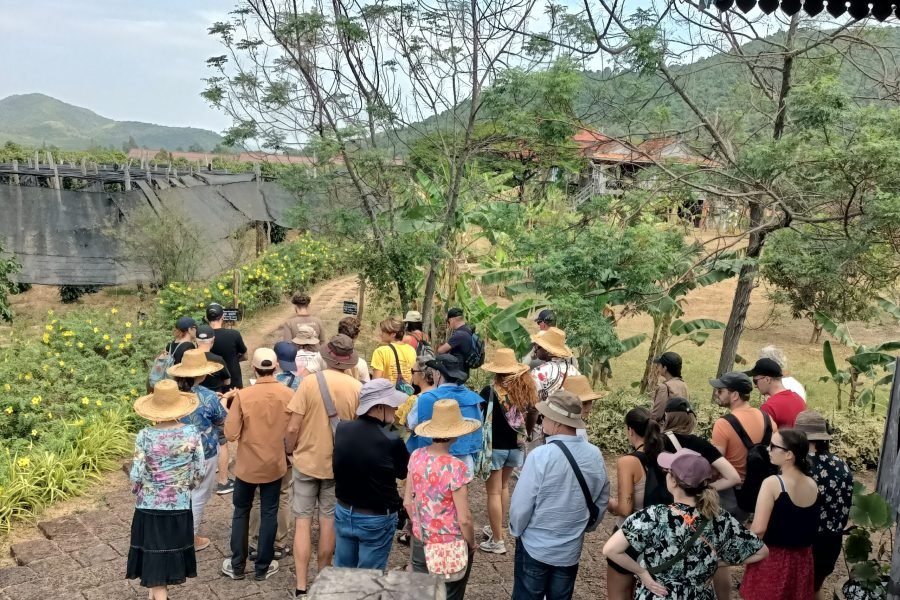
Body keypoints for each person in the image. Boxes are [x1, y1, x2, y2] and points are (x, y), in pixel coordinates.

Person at [603, 449, 768, 599]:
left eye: (668, 472)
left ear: (673, 481)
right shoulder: (720, 518)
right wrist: (712, 561)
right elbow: (761, 552)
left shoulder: (653, 515)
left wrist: (642, 573)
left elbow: (611, 550)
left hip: (658, 593)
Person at [509, 390, 609, 600]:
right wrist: (587, 527)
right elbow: (602, 498)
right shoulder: (595, 455)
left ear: (556, 422)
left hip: (535, 545)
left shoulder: (541, 455)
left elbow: (521, 506)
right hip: (570, 549)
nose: (542, 420)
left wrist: (517, 530)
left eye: (544, 416)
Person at [285, 334, 363, 599]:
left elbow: (293, 426)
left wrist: (289, 451)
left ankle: (301, 586)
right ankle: (323, 582)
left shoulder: (308, 383)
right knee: (328, 523)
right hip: (336, 466)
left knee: (303, 523)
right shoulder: (356, 388)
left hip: (306, 462)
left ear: (326, 356)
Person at [127, 380, 205, 600]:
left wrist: (138, 490)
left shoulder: (145, 435)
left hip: (149, 504)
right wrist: (185, 487)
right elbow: (199, 469)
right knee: (164, 555)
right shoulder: (191, 432)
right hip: (179, 503)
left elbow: (137, 474)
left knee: (154, 556)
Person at [221, 348, 294, 582]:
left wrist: (226, 408)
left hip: (247, 466)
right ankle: (263, 566)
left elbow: (231, 434)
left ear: (253, 368)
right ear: (277, 368)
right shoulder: (289, 394)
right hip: (275, 463)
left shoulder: (243, 395)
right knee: (270, 511)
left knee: (241, 512)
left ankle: (237, 565)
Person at [405, 399, 481, 600]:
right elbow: (464, 518)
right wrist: (471, 543)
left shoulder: (416, 456)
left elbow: (407, 502)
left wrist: (421, 527)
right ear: (455, 433)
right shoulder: (456, 467)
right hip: (449, 544)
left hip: (421, 539)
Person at [333, 379, 410, 570]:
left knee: (343, 575)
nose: (396, 408)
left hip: (344, 510)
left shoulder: (342, 429)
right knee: (368, 579)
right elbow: (403, 471)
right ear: (380, 406)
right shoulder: (391, 438)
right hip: (376, 517)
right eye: (392, 404)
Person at [741, 429, 819, 600]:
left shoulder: (772, 483)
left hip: (773, 560)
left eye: (773, 446)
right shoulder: (812, 484)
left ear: (789, 455)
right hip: (802, 561)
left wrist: (740, 554)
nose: (768, 449)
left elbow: (759, 529)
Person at [478, 349, 537, 554]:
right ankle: (498, 528)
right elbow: (533, 413)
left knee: (493, 491)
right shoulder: (524, 390)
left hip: (495, 448)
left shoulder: (490, 391)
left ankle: (497, 540)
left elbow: (481, 417)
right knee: (503, 488)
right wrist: (528, 434)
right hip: (516, 447)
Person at [168, 349, 228, 552]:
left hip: (173, 450)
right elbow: (222, 421)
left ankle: (173, 532)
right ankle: (189, 538)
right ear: (202, 374)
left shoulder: (168, 393)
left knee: (177, 492)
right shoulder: (209, 397)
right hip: (204, 451)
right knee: (199, 494)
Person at [606, 407, 665, 600]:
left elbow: (625, 508)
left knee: (620, 595)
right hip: (660, 537)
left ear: (630, 430)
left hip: (630, 537)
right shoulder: (666, 456)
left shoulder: (629, 462)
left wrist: (607, 502)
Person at [795, 411, 853, 599]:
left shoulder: (800, 466)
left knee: (799, 591)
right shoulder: (841, 464)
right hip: (831, 540)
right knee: (815, 588)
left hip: (803, 541)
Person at [709, 372, 778, 523]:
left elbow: (715, 466)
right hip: (756, 493)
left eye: (721, 391)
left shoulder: (724, 423)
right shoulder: (768, 419)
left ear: (734, 395)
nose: (717, 394)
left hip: (729, 494)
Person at [405, 354, 483, 475]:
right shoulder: (473, 398)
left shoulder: (426, 398)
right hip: (464, 458)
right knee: (459, 493)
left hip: (434, 459)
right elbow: (477, 426)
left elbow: (412, 424)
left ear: (437, 374)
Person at [207, 302, 248, 496]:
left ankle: (213, 461)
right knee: (237, 422)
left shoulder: (204, 335)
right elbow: (244, 353)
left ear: (207, 317)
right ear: (223, 316)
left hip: (211, 385)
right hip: (233, 383)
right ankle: (237, 459)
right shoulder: (233, 335)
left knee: (213, 423)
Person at [662, 398, 741, 493]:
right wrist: (700, 491)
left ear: (666, 417)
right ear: (690, 418)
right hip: (686, 501)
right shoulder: (699, 443)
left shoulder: (655, 441)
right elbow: (734, 478)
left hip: (655, 502)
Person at [529, 327, 580, 447]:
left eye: (538, 347)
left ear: (547, 351)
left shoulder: (538, 372)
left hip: (545, 428)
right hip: (570, 428)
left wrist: (528, 430)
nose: (535, 350)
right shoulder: (574, 371)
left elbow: (533, 408)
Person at [299, 317, 371, 383]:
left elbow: (303, 377)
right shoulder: (361, 364)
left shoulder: (322, 356)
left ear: (338, 332)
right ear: (356, 337)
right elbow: (367, 390)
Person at [747, 358, 806, 428]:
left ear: (767, 379)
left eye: (755, 381)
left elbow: (762, 437)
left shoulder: (769, 407)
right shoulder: (798, 398)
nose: (755, 386)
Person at [371, 317, 416, 386]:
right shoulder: (411, 350)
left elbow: (375, 382)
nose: (381, 334)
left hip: (386, 394)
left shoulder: (380, 352)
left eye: (383, 331)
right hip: (406, 394)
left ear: (393, 334)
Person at [650, 351, 689, 423]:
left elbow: (656, 416)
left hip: (665, 430)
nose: (658, 367)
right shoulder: (683, 385)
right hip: (680, 429)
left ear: (664, 368)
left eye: (659, 365)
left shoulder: (664, 387)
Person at [562, 374, 605, 439]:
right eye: (584, 403)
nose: (589, 408)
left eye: (590, 402)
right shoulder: (575, 431)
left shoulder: (577, 425)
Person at [436, 308, 475, 374]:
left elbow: (441, 350)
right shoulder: (468, 329)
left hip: (457, 372)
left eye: (448, 322)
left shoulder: (459, 335)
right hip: (464, 370)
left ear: (451, 320)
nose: (448, 324)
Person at [194, 325, 231, 394]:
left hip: (194, 399)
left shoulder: (189, 358)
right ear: (213, 339)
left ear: (196, 339)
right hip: (214, 397)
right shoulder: (218, 359)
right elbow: (227, 381)